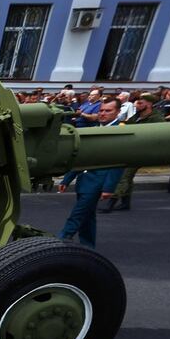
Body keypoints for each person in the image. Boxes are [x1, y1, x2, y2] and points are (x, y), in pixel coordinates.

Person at [57, 97, 122, 248]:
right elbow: (82, 158)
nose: (103, 113)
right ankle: (88, 246)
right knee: (88, 217)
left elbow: (119, 162)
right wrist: (67, 179)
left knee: (77, 215)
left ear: (118, 112)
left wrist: (108, 187)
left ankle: (60, 242)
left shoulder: (120, 132)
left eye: (108, 111)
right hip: (84, 181)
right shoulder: (94, 128)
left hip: (97, 183)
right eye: (101, 110)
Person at [102, 93, 164, 213]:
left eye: (140, 103)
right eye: (136, 102)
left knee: (124, 175)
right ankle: (125, 203)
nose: (137, 105)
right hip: (132, 149)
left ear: (149, 104)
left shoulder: (157, 119)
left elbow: (159, 137)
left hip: (142, 152)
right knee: (127, 177)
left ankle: (111, 202)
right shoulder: (136, 117)